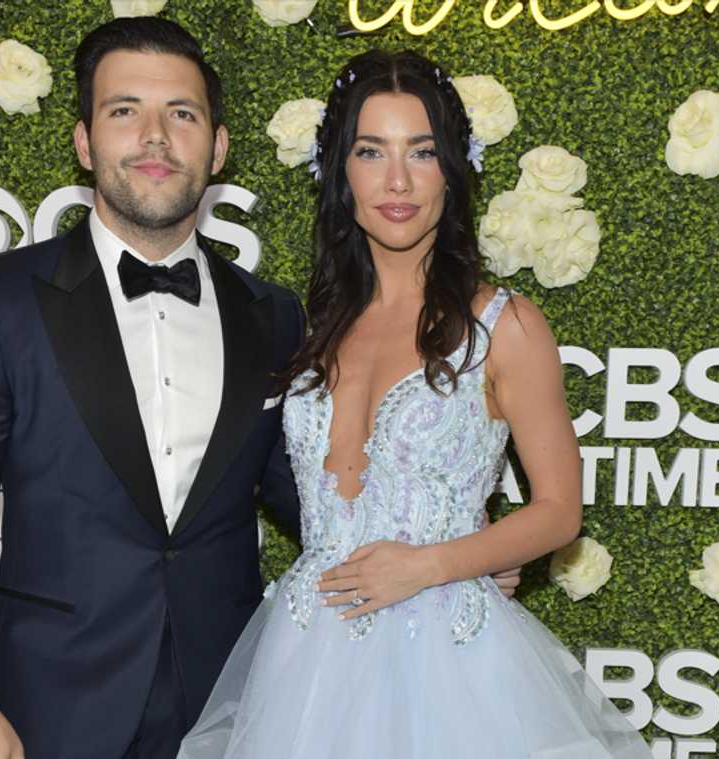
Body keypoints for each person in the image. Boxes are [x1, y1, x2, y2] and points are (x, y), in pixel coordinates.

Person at [176, 50, 652, 758]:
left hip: (450, 663)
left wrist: (435, 561)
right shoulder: (316, 326)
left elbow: (559, 510)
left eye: (422, 152)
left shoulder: (505, 326)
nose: (396, 180)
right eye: (371, 151)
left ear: (453, 172)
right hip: (305, 659)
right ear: (341, 172)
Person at [0, 17, 307, 759]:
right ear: (86, 141)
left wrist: (452, 551)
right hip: (48, 707)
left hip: (227, 703)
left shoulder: (273, 314)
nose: (155, 136)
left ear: (216, 147)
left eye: (181, 114)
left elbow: (304, 489)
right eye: (125, 111)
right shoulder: (2, 300)